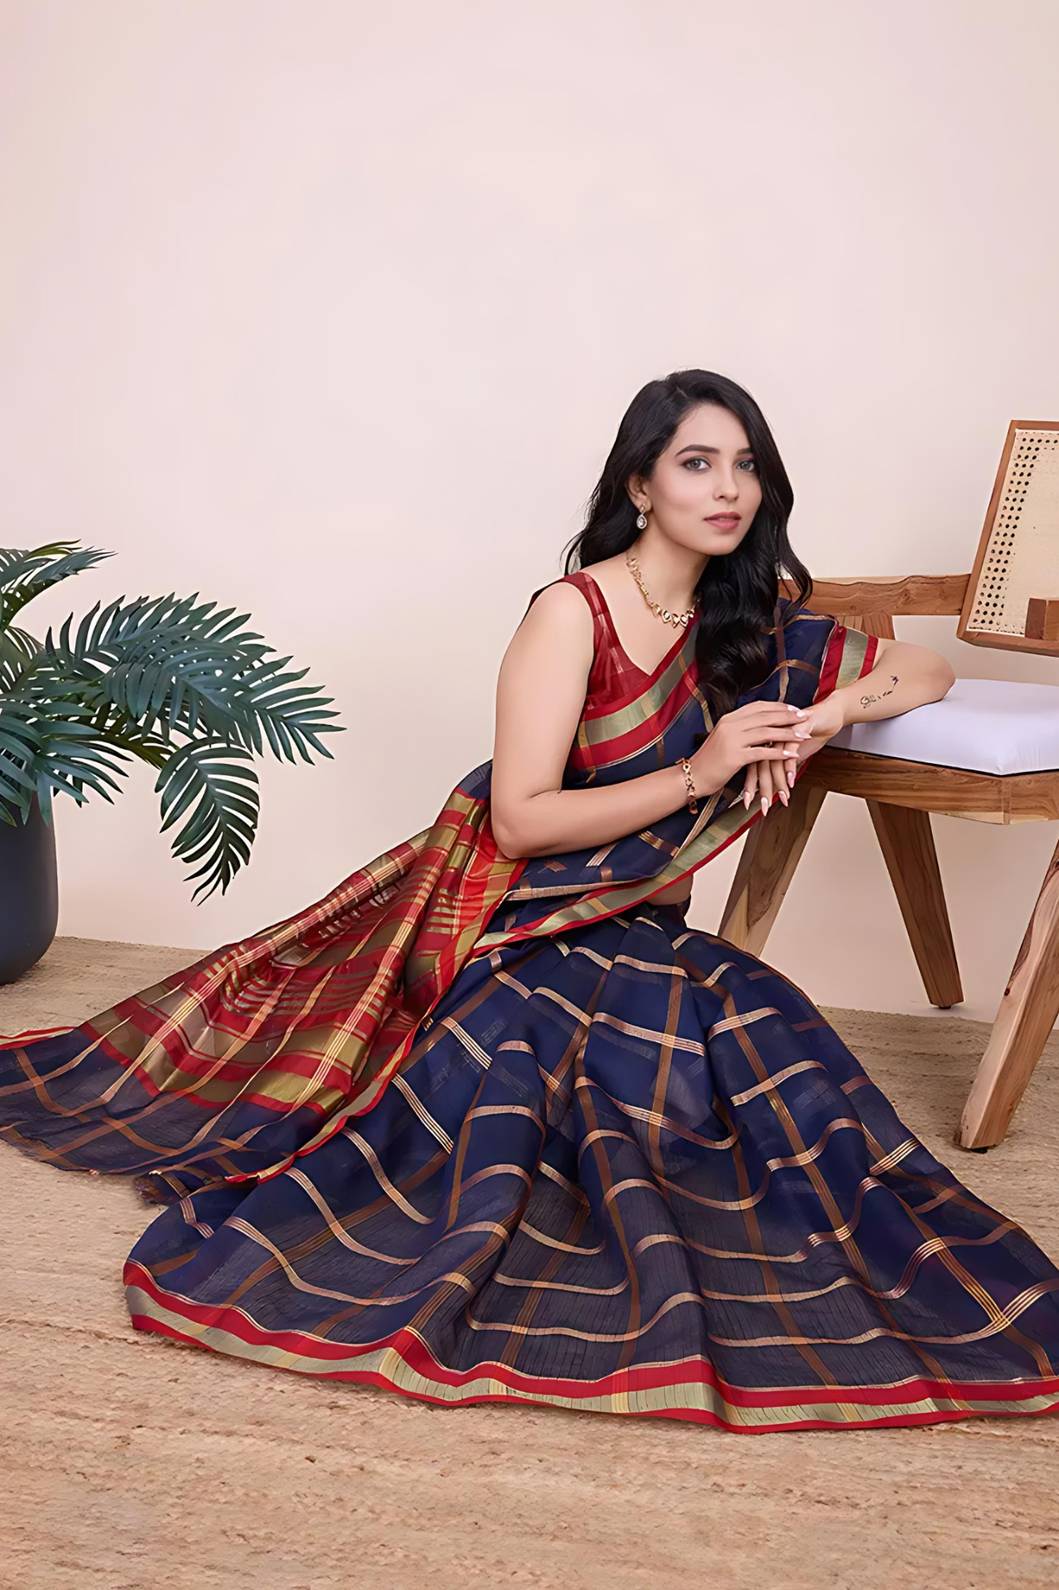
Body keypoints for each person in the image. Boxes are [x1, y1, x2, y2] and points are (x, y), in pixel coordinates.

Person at [3, 368, 1058, 1435]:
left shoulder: (749, 622)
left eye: (745, 465)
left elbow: (923, 667)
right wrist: (703, 769)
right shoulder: (573, 612)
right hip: (518, 920)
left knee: (776, 1054)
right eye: (697, 463)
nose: (727, 488)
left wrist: (822, 715)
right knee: (554, 1100)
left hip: (642, 928)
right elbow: (518, 820)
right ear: (640, 484)